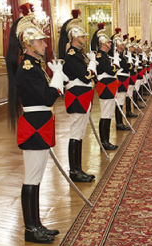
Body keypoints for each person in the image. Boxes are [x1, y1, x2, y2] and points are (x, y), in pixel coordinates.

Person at [6, 4, 64, 243]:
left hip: (40, 121)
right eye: (40, 41)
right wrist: (58, 79)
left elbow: (47, 97)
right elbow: (48, 97)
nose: (45, 44)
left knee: (37, 176)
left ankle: (37, 223)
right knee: (31, 176)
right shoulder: (28, 69)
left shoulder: (35, 67)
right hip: (34, 125)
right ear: (28, 45)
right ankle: (30, 229)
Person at [58, 10, 96, 182]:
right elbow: (85, 75)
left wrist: (91, 70)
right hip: (77, 97)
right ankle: (74, 171)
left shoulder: (79, 54)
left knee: (80, 133)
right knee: (75, 133)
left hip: (83, 96)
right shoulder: (72, 56)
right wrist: (92, 68)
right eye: (81, 37)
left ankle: (78, 168)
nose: (84, 39)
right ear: (74, 37)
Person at [91, 24, 120, 150]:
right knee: (105, 114)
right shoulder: (100, 56)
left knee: (108, 114)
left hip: (109, 87)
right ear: (103, 43)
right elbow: (110, 70)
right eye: (108, 42)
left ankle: (106, 140)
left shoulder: (105, 56)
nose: (110, 43)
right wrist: (115, 66)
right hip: (106, 87)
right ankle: (104, 141)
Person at [112, 30, 133, 130]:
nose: (124, 46)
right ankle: (119, 123)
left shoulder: (122, 55)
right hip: (120, 78)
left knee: (121, 101)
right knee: (119, 101)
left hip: (124, 78)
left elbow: (127, 66)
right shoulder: (116, 55)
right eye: (121, 44)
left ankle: (120, 122)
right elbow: (125, 67)